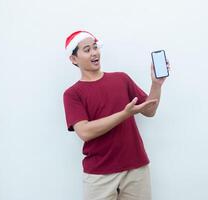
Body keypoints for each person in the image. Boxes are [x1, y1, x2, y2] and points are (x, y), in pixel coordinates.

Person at [63, 30, 169, 200]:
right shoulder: (72, 94)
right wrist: (124, 114)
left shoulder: (121, 79)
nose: (94, 53)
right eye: (87, 49)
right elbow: (84, 132)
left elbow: (149, 110)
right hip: (99, 175)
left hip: (136, 169)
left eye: (95, 47)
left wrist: (156, 85)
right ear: (74, 59)